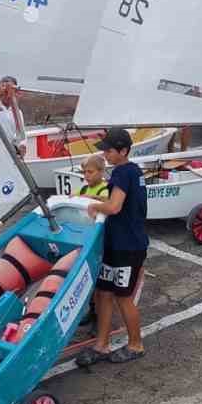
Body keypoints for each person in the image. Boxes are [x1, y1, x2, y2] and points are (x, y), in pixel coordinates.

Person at [76, 128, 147, 366]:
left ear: (123, 151)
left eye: (109, 150)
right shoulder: (132, 171)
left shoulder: (122, 173)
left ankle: (136, 344)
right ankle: (101, 345)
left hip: (128, 246)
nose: (105, 154)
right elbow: (119, 204)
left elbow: (115, 207)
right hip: (117, 243)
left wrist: (95, 206)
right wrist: (95, 201)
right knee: (103, 293)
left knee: (123, 297)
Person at [0, 76, 27, 149]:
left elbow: (21, 135)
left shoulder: (18, 112)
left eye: (11, 91)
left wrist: (22, 146)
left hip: (9, 150)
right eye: (5, 91)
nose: (7, 95)